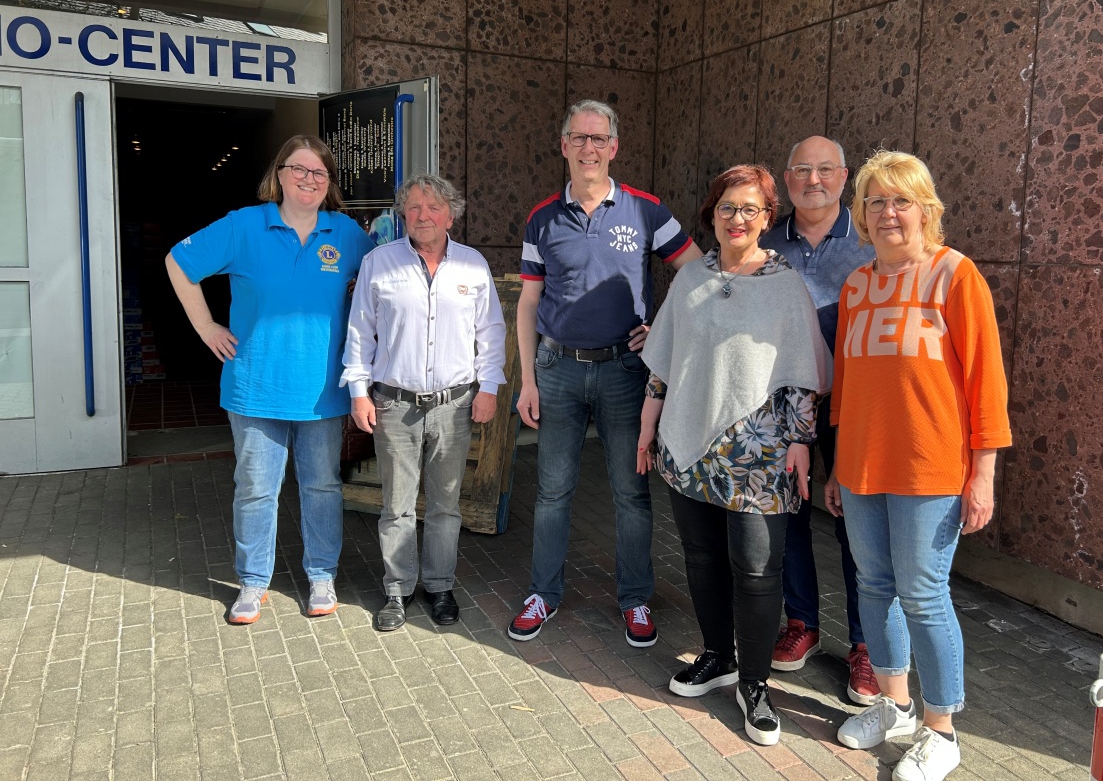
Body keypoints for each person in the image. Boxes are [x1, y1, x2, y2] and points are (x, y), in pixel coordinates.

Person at [829, 151, 1011, 781]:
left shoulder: (956, 276)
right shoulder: (855, 286)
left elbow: (986, 382)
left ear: (926, 210)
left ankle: (942, 730)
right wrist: (835, 467)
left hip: (930, 469)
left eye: (900, 200)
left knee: (924, 595)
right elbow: (847, 386)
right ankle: (894, 706)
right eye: (874, 202)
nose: (887, 213)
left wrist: (982, 472)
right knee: (875, 588)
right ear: (861, 215)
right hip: (860, 466)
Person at [637, 164, 830, 746]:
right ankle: (717, 656)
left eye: (750, 209)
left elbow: (802, 374)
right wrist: (649, 427)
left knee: (755, 568)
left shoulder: (785, 285)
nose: (738, 218)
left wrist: (801, 441)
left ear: (768, 219)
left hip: (760, 453)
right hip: (688, 444)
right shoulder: (691, 278)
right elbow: (665, 363)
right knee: (700, 557)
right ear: (712, 215)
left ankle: (755, 684)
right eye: (727, 207)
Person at [510, 99, 701, 646]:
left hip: (623, 371)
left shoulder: (646, 210)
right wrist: (527, 379)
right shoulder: (542, 217)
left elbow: (695, 273)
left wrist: (659, 329)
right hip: (558, 370)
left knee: (630, 493)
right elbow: (528, 302)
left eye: (599, 139)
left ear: (614, 148)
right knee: (552, 492)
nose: (589, 148)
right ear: (564, 146)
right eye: (579, 138)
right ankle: (543, 594)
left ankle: (636, 599)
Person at [166, 134, 374, 624]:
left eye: (319, 173)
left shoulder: (344, 234)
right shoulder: (245, 226)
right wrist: (206, 326)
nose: (308, 179)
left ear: (330, 184)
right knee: (257, 487)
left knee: (321, 486)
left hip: (323, 390)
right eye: (298, 169)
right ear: (279, 175)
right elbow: (179, 261)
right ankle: (253, 582)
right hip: (255, 386)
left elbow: (386, 276)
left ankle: (321, 574)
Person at [341, 173, 506, 631]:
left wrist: (489, 386)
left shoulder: (472, 265)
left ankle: (439, 586)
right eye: (413, 207)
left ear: (451, 214)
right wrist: (358, 391)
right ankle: (397, 590)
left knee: (445, 505)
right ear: (403, 215)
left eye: (433, 207)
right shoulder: (379, 263)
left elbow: (490, 332)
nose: (423, 215)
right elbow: (360, 334)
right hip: (394, 404)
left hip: (454, 405)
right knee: (395, 505)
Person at [761, 136, 880, 704]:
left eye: (825, 170)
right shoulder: (764, 241)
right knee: (789, 514)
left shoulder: (871, 240)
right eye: (802, 170)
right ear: (787, 180)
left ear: (844, 175)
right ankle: (801, 623)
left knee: (854, 521)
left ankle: (865, 646)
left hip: (855, 403)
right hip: (783, 403)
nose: (814, 180)